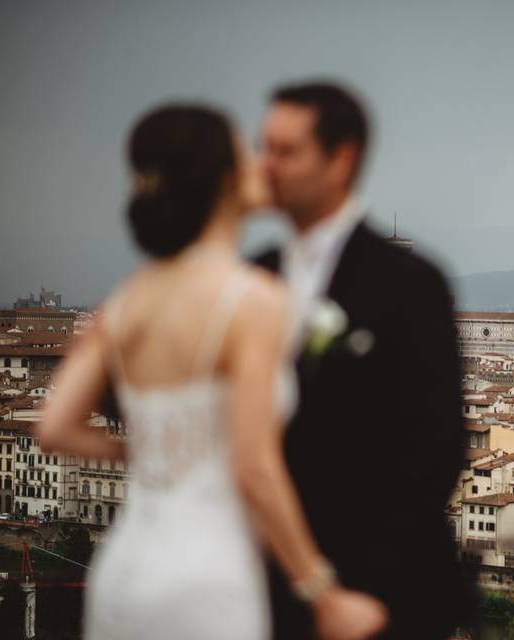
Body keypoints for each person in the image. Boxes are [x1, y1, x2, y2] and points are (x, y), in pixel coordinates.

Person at [37, 104, 388, 640]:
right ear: (225, 180)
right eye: (247, 150)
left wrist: (162, 451)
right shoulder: (253, 299)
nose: (261, 162)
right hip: (206, 577)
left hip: (124, 569)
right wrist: (322, 592)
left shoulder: (129, 298)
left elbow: (54, 428)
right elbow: (254, 464)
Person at [256, 82, 466, 639]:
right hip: (265, 585)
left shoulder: (412, 285)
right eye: (264, 148)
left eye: (286, 151)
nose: (266, 166)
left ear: (341, 158)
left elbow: (437, 449)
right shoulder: (250, 275)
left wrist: (347, 586)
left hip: (382, 594)